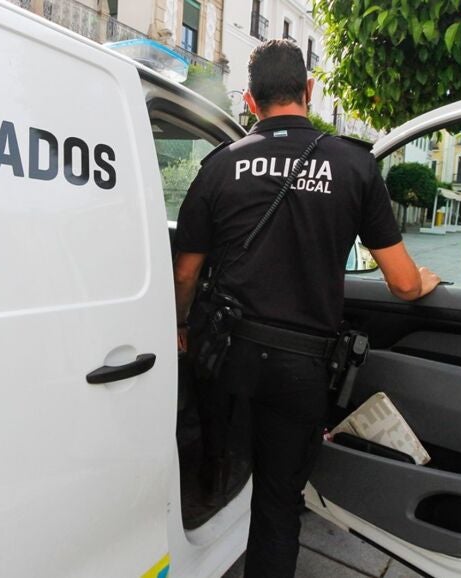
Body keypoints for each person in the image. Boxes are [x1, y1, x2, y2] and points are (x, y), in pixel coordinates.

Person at [172, 40, 440, 578]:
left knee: (211, 457)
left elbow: (185, 273)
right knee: (277, 507)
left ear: (250, 100)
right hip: (300, 369)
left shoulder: (219, 166)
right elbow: (403, 283)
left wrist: (182, 324)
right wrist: (425, 282)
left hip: (226, 357)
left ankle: (198, 528)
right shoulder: (354, 165)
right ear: (309, 90)